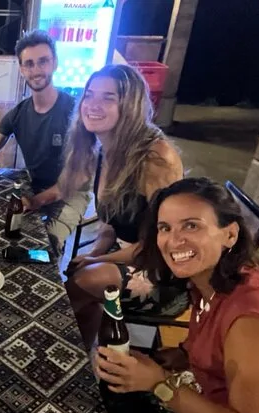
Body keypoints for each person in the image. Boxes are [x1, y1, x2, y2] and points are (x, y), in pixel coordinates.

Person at [96, 177, 259, 413]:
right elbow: (214, 344)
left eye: (192, 225)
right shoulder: (208, 281)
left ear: (230, 234)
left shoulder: (251, 321)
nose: (174, 240)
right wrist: (174, 357)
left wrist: (159, 383)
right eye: (165, 228)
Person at [61, 64, 184, 349]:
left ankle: (66, 353)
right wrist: (97, 252)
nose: (93, 105)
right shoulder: (106, 147)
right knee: (79, 277)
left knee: (75, 287)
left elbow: (162, 243)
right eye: (89, 95)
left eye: (108, 98)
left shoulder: (155, 157)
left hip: (161, 267)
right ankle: (80, 354)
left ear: (130, 106)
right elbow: (110, 222)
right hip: (126, 252)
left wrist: (98, 261)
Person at [0, 30, 85, 256]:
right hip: (33, 186)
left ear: (55, 63)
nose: (36, 70)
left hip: (70, 193)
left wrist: (35, 201)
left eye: (43, 61)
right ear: (21, 69)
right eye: (29, 64)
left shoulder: (74, 112)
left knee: (47, 247)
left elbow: (77, 178)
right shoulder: (17, 114)